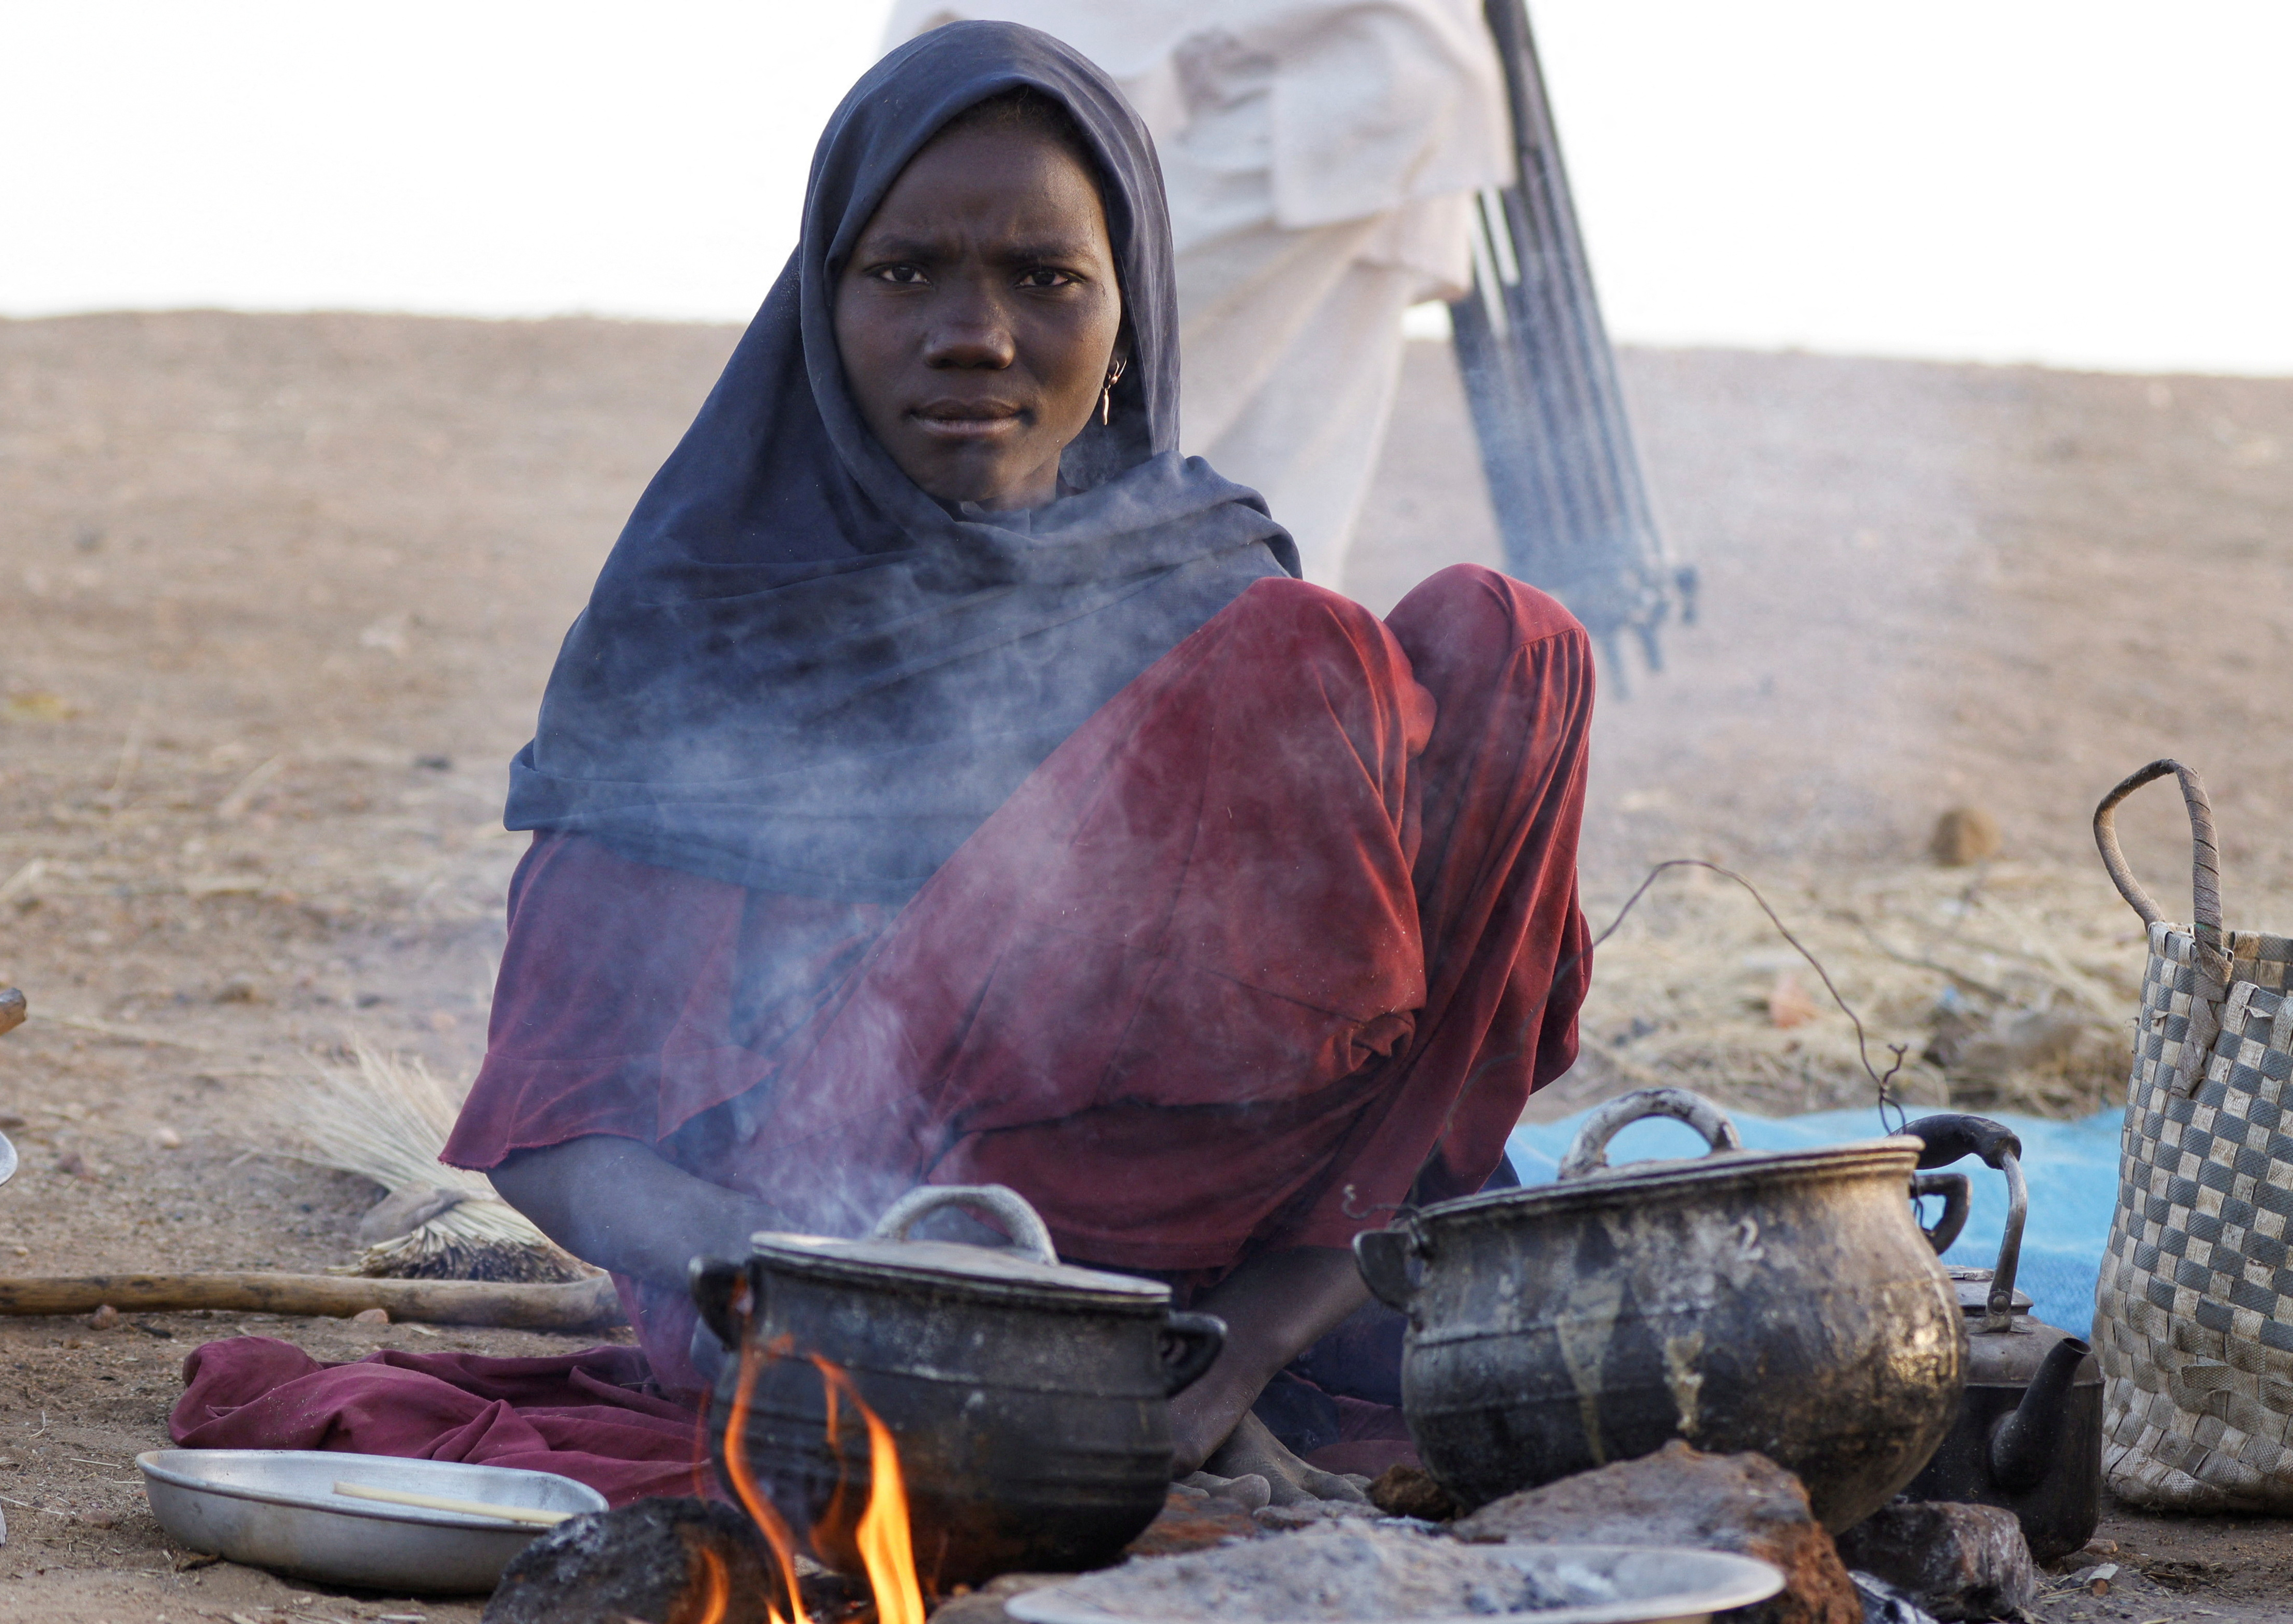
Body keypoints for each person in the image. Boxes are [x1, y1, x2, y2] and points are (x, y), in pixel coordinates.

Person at [424, 19, 1593, 1482]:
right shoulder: (716, 610)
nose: (972, 333)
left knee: (1505, 641)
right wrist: (848, 1276)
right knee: (1295, 651)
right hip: (837, 1286)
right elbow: (551, 1135)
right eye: (904, 272)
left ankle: (1218, 1364)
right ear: (822, 301)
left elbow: (1408, 1068)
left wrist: (1225, 1354)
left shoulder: (1203, 575)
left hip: (1224, 1284)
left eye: (1044, 279)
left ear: (1131, 318)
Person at [880, 1, 1511, 590]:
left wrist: (1237, 30)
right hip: (1333, 112)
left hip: (1329, 101)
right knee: (1267, 486)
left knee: (1105, 401)